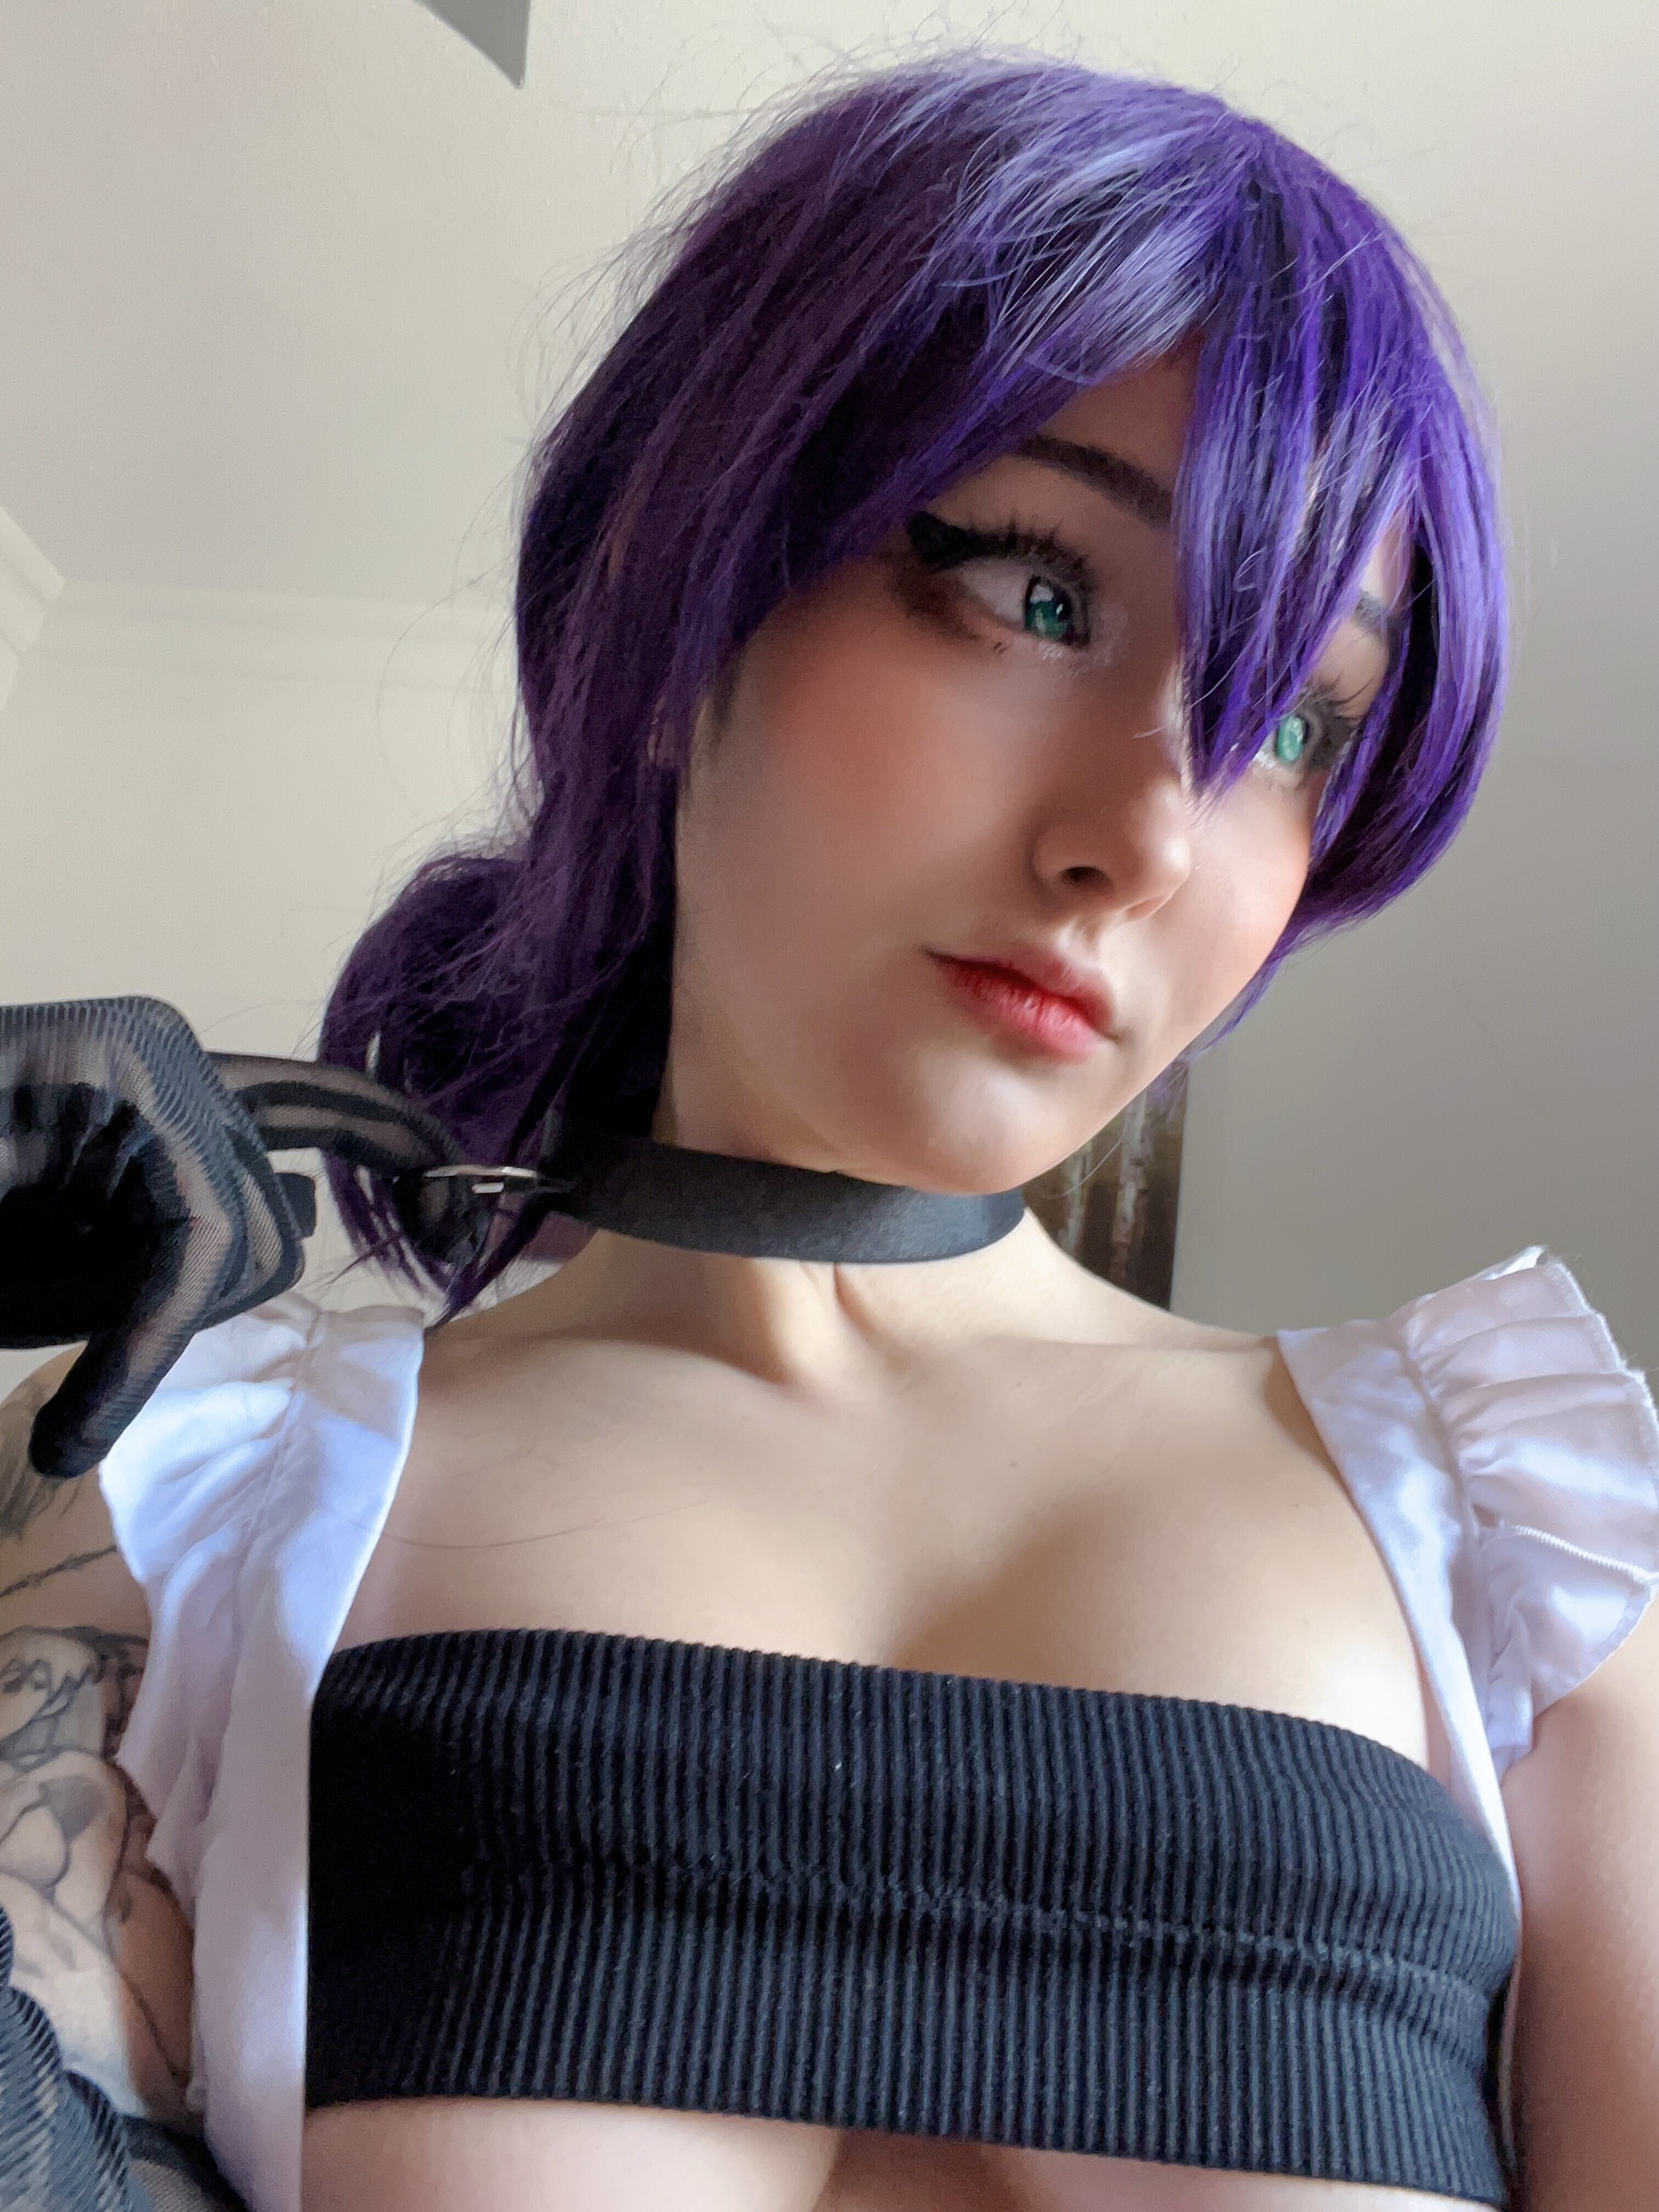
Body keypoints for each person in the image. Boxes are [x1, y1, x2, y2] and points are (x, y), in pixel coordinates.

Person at [1, 50, 1655, 2212]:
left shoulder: (1516, 1552)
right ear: (676, 592)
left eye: (1287, 724)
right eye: (1038, 592)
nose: (1147, 837)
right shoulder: (189, 1495)